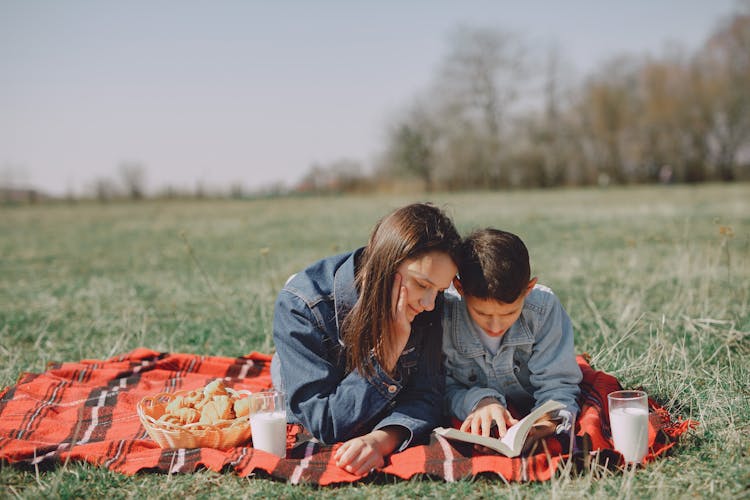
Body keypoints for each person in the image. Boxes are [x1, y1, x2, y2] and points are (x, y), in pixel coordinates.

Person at [271, 203, 461, 475]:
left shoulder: (427, 307)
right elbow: (323, 424)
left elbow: (428, 393)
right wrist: (384, 359)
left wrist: (382, 439)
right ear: (385, 264)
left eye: (440, 290)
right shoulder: (301, 306)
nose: (430, 303)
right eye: (422, 284)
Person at [442, 228, 582, 451]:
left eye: (509, 313)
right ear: (460, 289)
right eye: (483, 314)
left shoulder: (543, 309)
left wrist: (547, 422)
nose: (495, 326)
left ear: (528, 289)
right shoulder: (444, 314)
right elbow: (439, 387)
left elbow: (558, 384)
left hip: (531, 410)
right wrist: (480, 401)